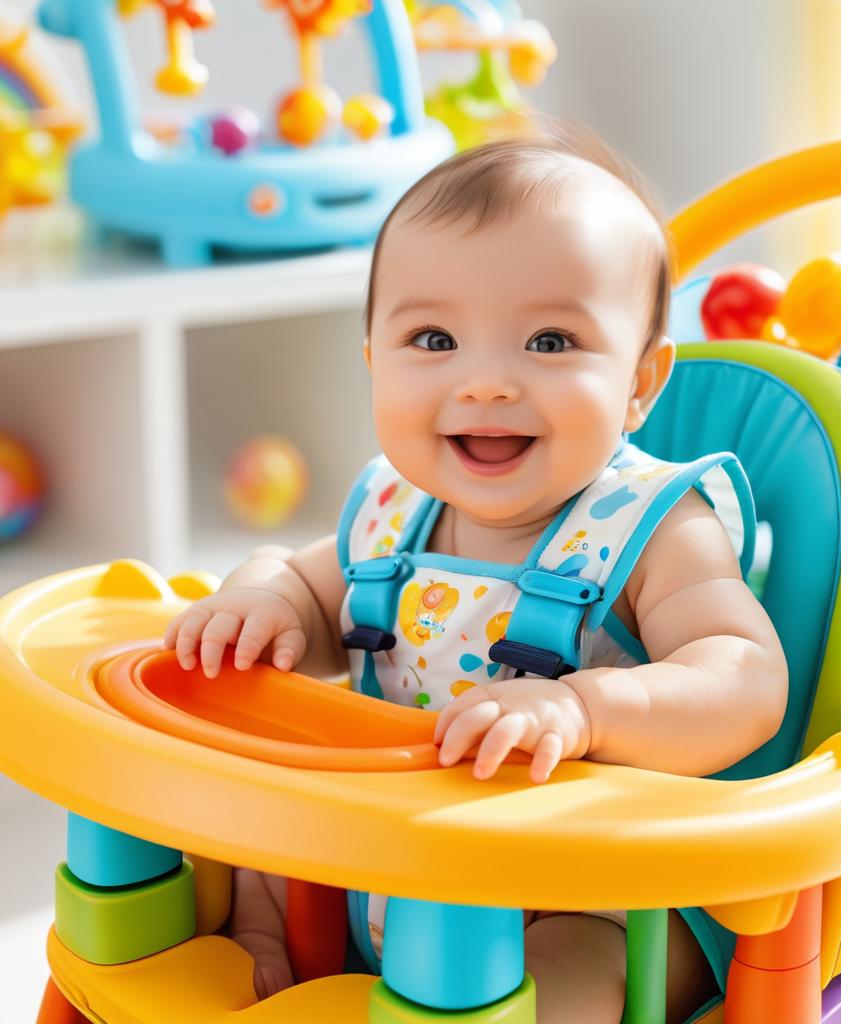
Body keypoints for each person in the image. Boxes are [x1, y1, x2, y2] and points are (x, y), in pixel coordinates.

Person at [164, 120, 788, 1023]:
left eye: (548, 343)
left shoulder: (651, 527)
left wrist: (584, 709)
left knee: (575, 964)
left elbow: (745, 675)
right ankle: (266, 951)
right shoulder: (388, 515)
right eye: (432, 340)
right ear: (375, 362)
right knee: (254, 843)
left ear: (642, 382)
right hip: (383, 864)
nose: (487, 381)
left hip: (586, 885)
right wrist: (262, 602)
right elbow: (301, 585)